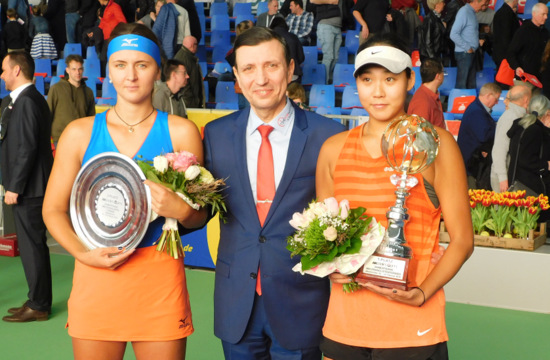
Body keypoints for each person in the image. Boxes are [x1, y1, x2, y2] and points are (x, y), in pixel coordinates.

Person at [42, 23, 207, 359]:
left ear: (157, 70)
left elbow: (199, 216)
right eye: (120, 65)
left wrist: (182, 210)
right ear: (108, 71)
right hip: (97, 276)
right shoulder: (79, 132)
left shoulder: (182, 132)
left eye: (141, 65)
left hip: (160, 281)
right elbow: (52, 210)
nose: (131, 76)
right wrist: (84, 254)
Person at [315, 32, 473, 359]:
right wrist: (332, 264)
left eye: (390, 78)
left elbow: (462, 240)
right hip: (345, 322)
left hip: (413, 327)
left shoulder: (436, 144)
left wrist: (422, 292)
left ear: (409, 79)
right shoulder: (333, 149)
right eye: (367, 79)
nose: (378, 91)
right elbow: (324, 237)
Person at [203, 27, 345, 359]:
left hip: (301, 300)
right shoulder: (216, 134)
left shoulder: (328, 135)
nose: (261, 79)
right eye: (249, 68)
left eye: (272, 66)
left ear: (291, 69)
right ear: (237, 76)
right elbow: (202, 208)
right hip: (237, 300)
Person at [0, 51, 54, 322]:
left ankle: (40, 305)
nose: (2, 75)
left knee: (33, 246)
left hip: (30, 188)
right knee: (31, 245)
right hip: (30, 186)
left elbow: (27, 148)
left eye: (4, 70)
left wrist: (14, 187)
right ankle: (36, 299)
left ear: (17, 70)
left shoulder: (28, 102)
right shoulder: (24, 100)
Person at [507, 94, 550, 221]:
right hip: (531, 186)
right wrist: (546, 165)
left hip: (518, 181)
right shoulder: (535, 130)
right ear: (547, 113)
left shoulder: (521, 126)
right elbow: (526, 160)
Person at [457, 82, 501, 188]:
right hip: (471, 166)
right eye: (496, 99)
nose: (496, 103)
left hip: (474, 163)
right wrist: (500, 131)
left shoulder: (477, 108)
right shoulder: (476, 111)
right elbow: (485, 136)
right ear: (488, 96)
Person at [490, 84, 531, 192]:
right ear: (526, 100)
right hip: (503, 178)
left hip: (507, 175)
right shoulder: (511, 118)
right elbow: (499, 150)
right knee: (502, 209)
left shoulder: (516, 115)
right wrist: (503, 178)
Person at [48, 54, 96, 144]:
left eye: (80, 69)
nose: (77, 72)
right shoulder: (56, 88)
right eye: (74, 69)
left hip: (82, 138)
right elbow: (48, 113)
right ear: (67, 70)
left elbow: (91, 118)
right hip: (60, 138)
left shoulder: (89, 92)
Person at [507, 3, 549, 87]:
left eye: (547, 14)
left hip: (540, 79)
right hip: (524, 79)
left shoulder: (546, 33)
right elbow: (511, 52)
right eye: (543, 14)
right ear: (534, 14)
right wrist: (517, 67)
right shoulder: (523, 31)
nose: (546, 17)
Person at [450, 0, 489, 89]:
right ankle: (460, 102)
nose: (483, 8)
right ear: (475, 1)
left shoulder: (471, 12)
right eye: (482, 5)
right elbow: (453, 34)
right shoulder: (464, 12)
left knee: (470, 84)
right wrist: (467, 47)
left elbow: (469, 32)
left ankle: (469, 102)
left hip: (469, 53)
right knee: (462, 84)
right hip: (465, 53)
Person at [407, 57, 446, 129]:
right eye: (443, 72)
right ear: (438, 76)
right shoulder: (422, 102)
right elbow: (420, 135)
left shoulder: (428, 95)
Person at [311, 0, 342, 84]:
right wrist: (330, 1)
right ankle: (324, 82)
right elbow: (312, 1)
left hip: (338, 26)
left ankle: (327, 79)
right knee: (328, 56)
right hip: (326, 25)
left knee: (335, 58)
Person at [173, 35, 205, 108]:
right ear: (192, 45)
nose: (197, 47)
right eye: (196, 45)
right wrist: (193, 102)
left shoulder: (186, 57)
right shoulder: (184, 59)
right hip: (188, 104)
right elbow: (184, 86)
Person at [491, 0, 520, 70]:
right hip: (505, 55)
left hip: (501, 54)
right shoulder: (507, 14)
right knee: (504, 79)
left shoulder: (502, 12)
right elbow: (506, 37)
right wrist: (510, 57)